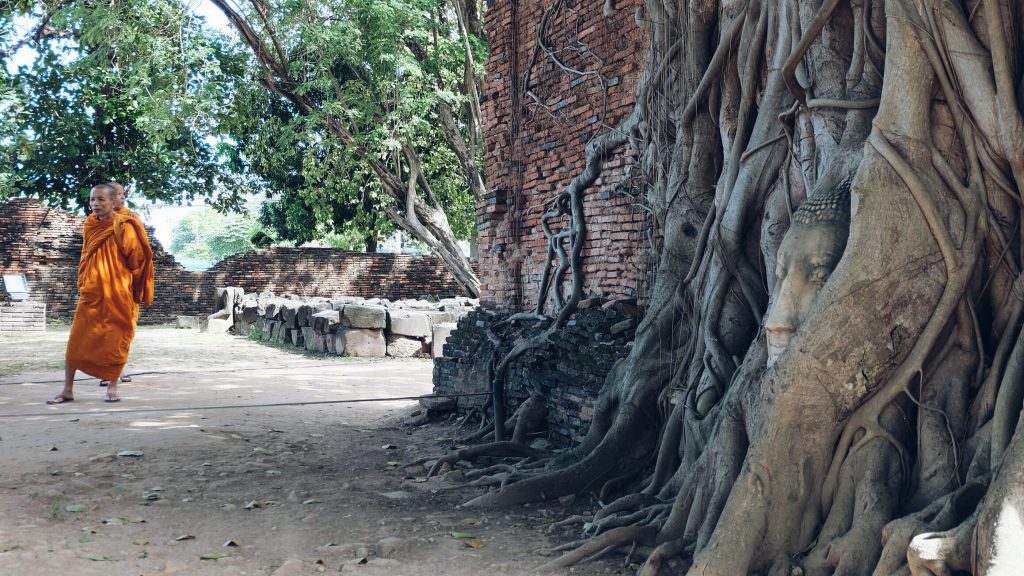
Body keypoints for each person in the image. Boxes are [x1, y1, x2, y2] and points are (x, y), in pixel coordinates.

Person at [47, 182, 154, 404]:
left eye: (101, 200)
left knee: (116, 340)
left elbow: (137, 261)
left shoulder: (125, 225)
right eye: (92, 200)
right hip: (92, 292)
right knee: (76, 341)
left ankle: (112, 388)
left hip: (117, 293)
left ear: (113, 202)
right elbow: (86, 256)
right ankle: (67, 389)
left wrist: (131, 287)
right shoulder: (89, 224)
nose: (95, 204)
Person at [99, 184, 145, 387]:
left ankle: (118, 368)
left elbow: (138, 254)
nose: (121, 197)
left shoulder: (130, 220)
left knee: (125, 329)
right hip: (101, 285)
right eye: (116, 194)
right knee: (106, 329)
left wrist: (138, 280)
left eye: (122, 194)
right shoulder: (97, 223)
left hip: (125, 284)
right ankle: (108, 371)